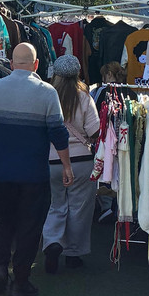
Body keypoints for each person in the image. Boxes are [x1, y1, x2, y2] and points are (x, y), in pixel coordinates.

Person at [0, 42, 72, 296]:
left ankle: (0, 268)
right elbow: (58, 134)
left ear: (11, 64)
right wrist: (66, 165)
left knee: (3, 222)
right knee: (30, 227)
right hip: (34, 175)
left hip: (2, 173)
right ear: (36, 65)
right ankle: (21, 279)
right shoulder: (47, 93)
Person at [41, 55, 100, 273]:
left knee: (55, 204)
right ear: (77, 74)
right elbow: (94, 131)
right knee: (79, 208)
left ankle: (52, 241)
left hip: (51, 160)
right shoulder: (84, 97)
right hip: (81, 161)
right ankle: (73, 254)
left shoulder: (46, 96)